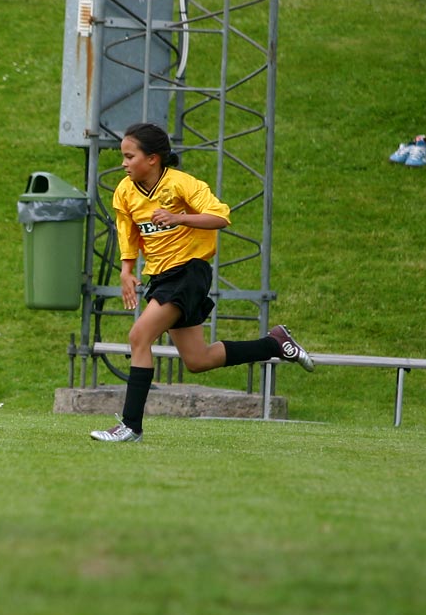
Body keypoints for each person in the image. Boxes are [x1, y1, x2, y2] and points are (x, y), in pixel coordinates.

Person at [90, 122, 314, 444]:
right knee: (198, 360)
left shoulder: (182, 184)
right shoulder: (125, 192)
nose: (123, 163)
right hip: (162, 276)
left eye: (129, 156)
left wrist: (178, 217)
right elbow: (128, 232)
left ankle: (130, 427)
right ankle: (275, 344)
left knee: (139, 335)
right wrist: (126, 270)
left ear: (152, 158)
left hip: (189, 272)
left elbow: (220, 216)